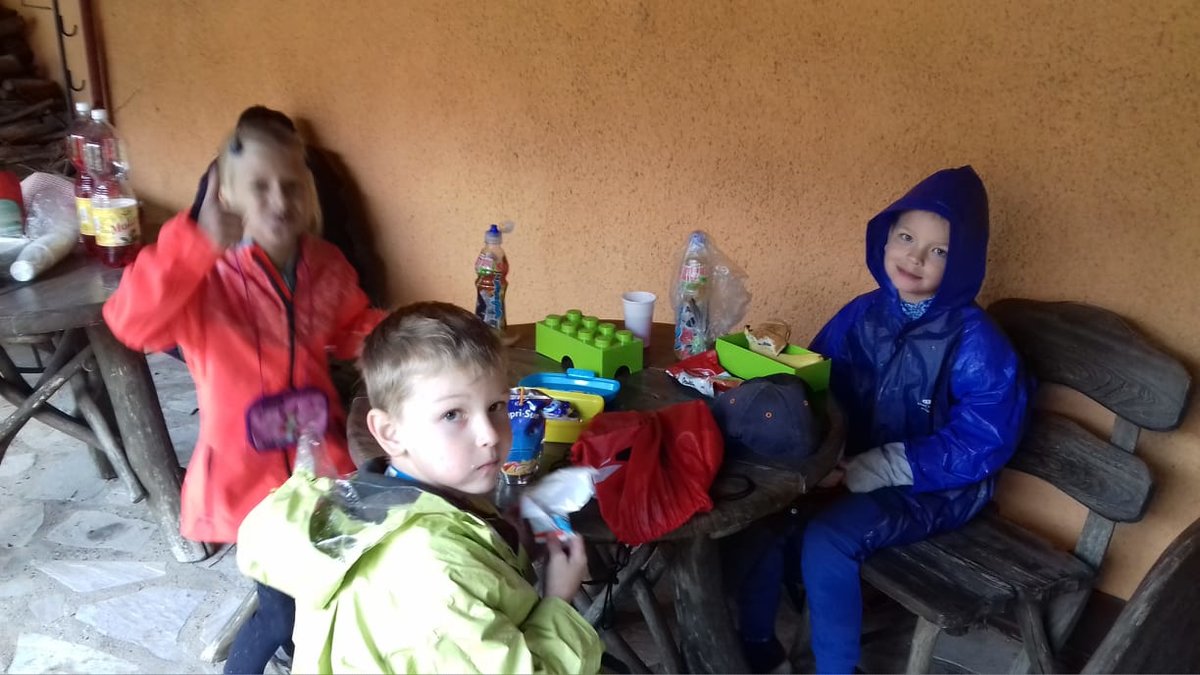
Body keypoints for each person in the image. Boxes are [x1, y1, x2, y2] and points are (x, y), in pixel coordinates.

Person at [103, 118, 384, 673]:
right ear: (225, 196)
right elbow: (130, 322)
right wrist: (195, 241)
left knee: (321, 589)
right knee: (279, 611)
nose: (279, 200)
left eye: (291, 185)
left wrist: (406, 338)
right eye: (259, 186)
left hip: (318, 467)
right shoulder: (201, 276)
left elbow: (354, 325)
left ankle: (306, 653)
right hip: (245, 479)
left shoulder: (324, 265)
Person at [733, 166, 1033, 673]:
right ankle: (757, 644)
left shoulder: (975, 342)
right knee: (765, 514)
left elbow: (981, 440)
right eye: (907, 237)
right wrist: (819, 454)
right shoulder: (863, 314)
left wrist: (878, 467)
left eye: (939, 251)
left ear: (962, 262)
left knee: (828, 540)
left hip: (933, 487)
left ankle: (837, 668)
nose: (915, 257)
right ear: (886, 237)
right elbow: (821, 384)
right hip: (850, 464)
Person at [236, 302, 604, 674]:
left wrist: (514, 534)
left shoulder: (394, 495)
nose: (490, 435)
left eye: (496, 405)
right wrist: (559, 600)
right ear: (390, 433)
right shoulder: (435, 574)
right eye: (452, 414)